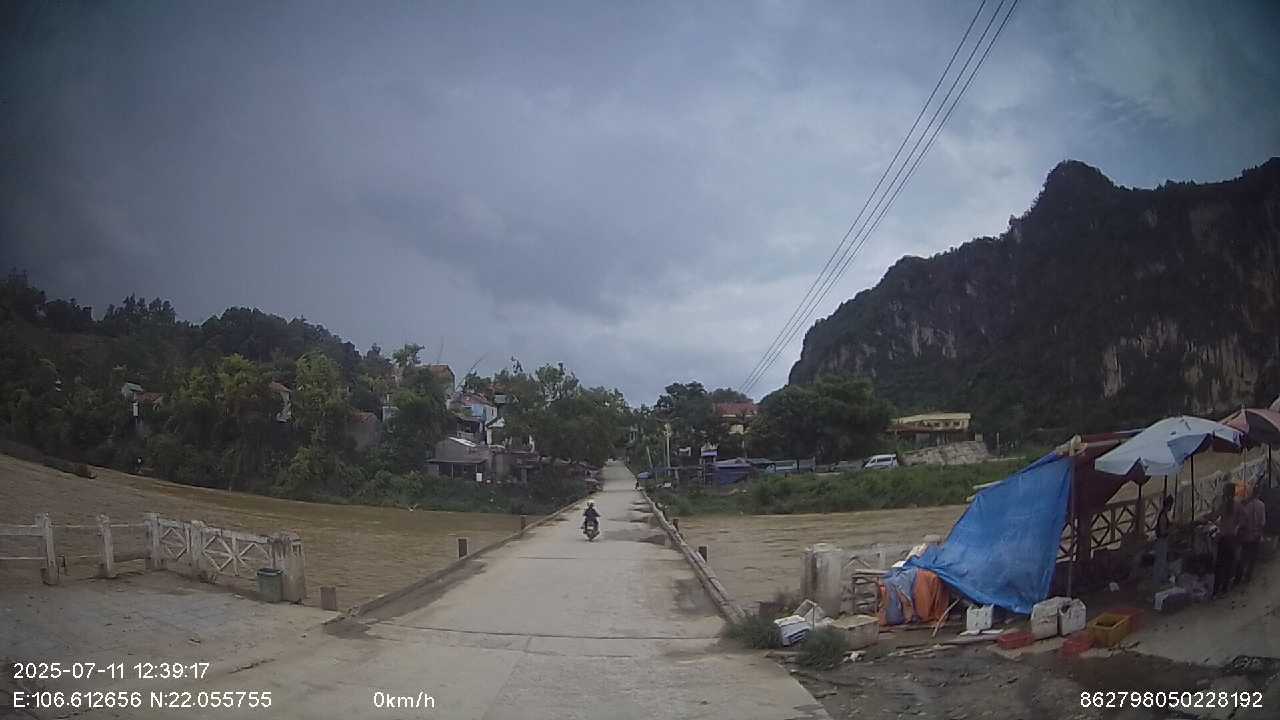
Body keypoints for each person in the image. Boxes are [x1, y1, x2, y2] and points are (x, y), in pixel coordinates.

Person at [1212, 483, 1241, 598]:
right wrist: (1236, 527)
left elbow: (1214, 517)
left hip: (1223, 538)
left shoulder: (1223, 506)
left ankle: (1215, 591)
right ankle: (1225, 589)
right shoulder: (1237, 505)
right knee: (1229, 564)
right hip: (1232, 538)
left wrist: (1219, 524)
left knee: (1219, 566)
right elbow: (1243, 518)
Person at [1235, 485, 1267, 585]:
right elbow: (1262, 522)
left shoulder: (1246, 505)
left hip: (1246, 535)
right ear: (1259, 493)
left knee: (1243, 557)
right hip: (1256, 536)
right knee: (1253, 558)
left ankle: (1238, 578)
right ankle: (1248, 577)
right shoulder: (1261, 505)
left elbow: (1242, 522)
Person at [1152, 494, 1175, 586]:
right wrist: (1171, 530)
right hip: (1161, 540)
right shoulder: (1162, 516)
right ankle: (1156, 581)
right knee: (1160, 561)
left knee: (1162, 561)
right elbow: (1163, 531)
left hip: (1163, 540)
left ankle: (1161, 579)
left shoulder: (1164, 515)